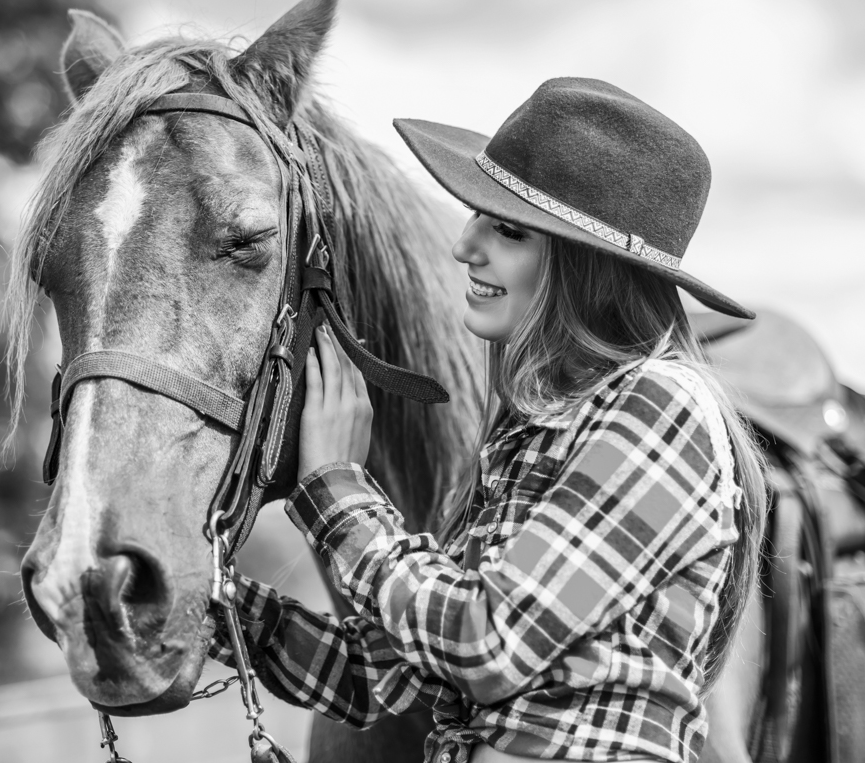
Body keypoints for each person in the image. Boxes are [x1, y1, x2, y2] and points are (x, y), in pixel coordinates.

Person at [209, 78, 767, 763]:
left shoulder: (660, 405)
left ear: (586, 266)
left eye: (506, 229)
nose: (464, 244)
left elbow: (487, 641)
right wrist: (213, 603)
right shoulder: (529, 432)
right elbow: (379, 677)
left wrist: (336, 491)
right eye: (478, 215)